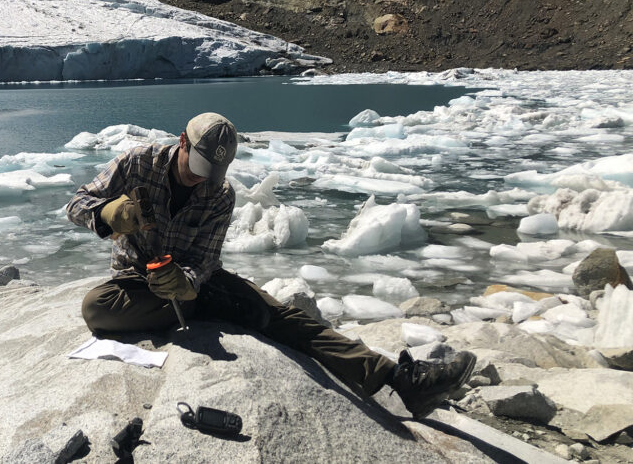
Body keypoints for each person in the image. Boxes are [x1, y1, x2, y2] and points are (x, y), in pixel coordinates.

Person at [66, 111, 476, 419]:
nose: (201, 179)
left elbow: (205, 260)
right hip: (136, 282)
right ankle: (193, 309)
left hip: (195, 284)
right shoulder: (138, 162)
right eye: (197, 167)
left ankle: (401, 380)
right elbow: (76, 204)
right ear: (182, 143)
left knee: (282, 317)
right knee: (95, 309)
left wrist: (187, 284)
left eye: (212, 172)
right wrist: (107, 215)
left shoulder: (218, 193)